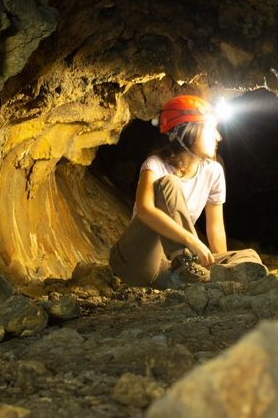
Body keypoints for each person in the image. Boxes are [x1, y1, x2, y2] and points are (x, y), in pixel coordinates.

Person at [109, 94, 267, 289]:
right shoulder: (155, 165)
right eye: (211, 129)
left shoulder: (214, 171)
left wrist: (219, 262)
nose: (218, 137)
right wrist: (191, 240)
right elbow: (144, 210)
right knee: (169, 183)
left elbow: (215, 227)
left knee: (248, 256)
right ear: (189, 132)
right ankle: (185, 263)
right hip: (137, 261)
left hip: (170, 269)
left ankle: (203, 276)